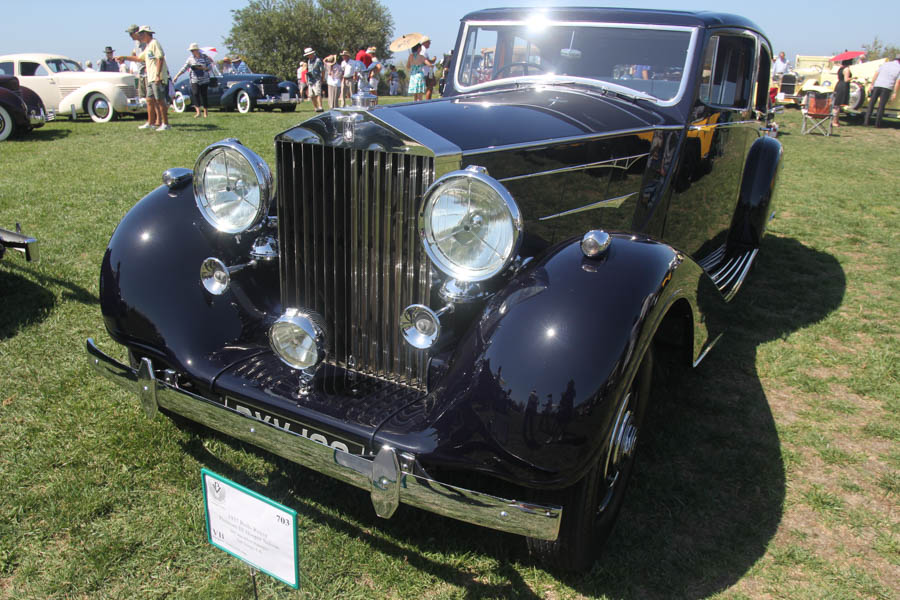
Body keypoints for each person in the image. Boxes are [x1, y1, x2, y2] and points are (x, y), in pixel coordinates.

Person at [120, 26, 170, 131]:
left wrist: (158, 75)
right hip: (150, 77)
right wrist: (124, 57)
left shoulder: (154, 43)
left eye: (142, 34)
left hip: (157, 77)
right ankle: (150, 122)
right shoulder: (148, 46)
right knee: (149, 100)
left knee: (160, 100)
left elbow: (160, 58)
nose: (140, 36)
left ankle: (165, 124)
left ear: (147, 34)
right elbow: (139, 58)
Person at [173, 43, 214, 118]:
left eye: (193, 50)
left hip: (204, 79)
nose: (192, 52)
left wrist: (204, 68)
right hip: (194, 79)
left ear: (197, 50)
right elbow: (184, 68)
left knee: (204, 95)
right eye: (191, 51)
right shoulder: (190, 59)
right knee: (195, 94)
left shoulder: (205, 57)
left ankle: (205, 112)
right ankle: (198, 112)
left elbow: (210, 66)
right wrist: (177, 76)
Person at [864, 56, 900, 128]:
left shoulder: (885, 64)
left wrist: (872, 84)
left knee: (871, 103)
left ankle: (866, 121)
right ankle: (877, 124)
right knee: (881, 106)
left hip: (877, 85)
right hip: (887, 87)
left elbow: (876, 74)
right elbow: (897, 82)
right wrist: (895, 92)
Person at [125, 24, 150, 128]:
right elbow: (136, 55)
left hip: (148, 73)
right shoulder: (136, 43)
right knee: (144, 97)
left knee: (151, 98)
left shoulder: (146, 43)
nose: (130, 36)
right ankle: (150, 119)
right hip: (141, 73)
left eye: (131, 33)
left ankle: (155, 120)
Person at [832, 58, 853, 127]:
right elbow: (846, 79)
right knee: (837, 105)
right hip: (843, 86)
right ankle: (834, 121)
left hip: (839, 85)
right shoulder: (847, 69)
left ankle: (836, 120)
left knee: (837, 104)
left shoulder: (840, 68)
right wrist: (853, 78)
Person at [304, 47, 324, 113]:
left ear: (312, 54)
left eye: (308, 55)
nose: (308, 56)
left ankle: (320, 107)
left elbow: (322, 70)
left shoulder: (318, 60)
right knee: (312, 95)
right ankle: (316, 108)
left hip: (317, 79)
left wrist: (322, 79)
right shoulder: (309, 61)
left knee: (318, 93)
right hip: (310, 80)